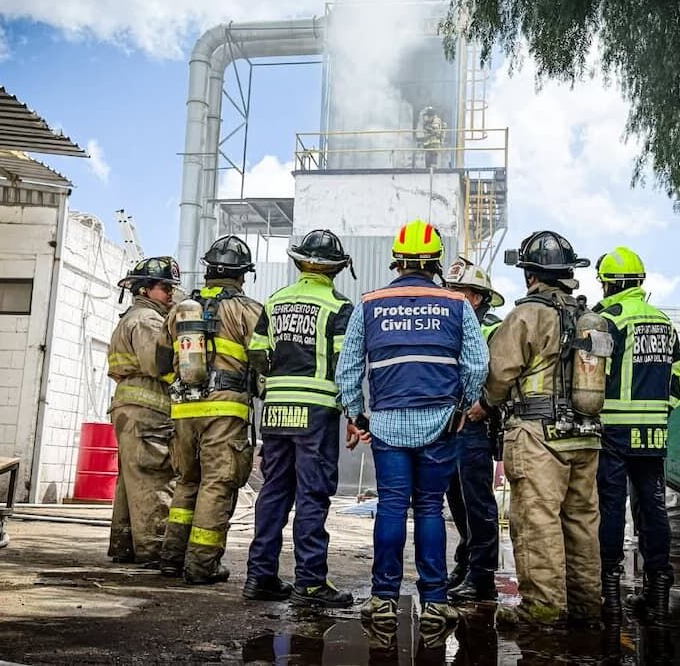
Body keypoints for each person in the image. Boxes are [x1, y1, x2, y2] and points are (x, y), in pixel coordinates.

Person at [337, 219, 489, 638]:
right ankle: (436, 602)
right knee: (429, 508)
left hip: (386, 422)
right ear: (436, 261)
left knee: (390, 506)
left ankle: (383, 599)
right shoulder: (457, 304)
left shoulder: (369, 304)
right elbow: (477, 364)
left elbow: (348, 368)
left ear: (398, 261)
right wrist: (461, 405)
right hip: (440, 421)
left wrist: (356, 413)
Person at [468, 231, 605, 628]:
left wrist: (484, 405)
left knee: (536, 519)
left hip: (538, 435)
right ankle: (585, 605)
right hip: (586, 432)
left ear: (530, 274)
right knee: (581, 520)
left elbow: (499, 374)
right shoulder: (586, 316)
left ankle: (542, 609)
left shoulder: (527, 314)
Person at [243, 229, 355, 607]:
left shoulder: (275, 301)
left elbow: (257, 353)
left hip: (276, 410)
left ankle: (260, 577)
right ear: (337, 268)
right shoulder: (339, 306)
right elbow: (346, 364)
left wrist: (275, 385)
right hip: (317, 413)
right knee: (312, 494)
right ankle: (309, 583)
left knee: (274, 491)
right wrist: (353, 411)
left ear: (299, 262)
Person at [155, 236, 263, 584]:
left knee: (187, 481)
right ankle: (202, 565)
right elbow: (263, 361)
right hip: (225, 409)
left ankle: (172, 558)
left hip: (184, 408)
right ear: (243, 275)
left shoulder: (180, 309)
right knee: (217, 484)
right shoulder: (250, 311)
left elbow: (159, 362)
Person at [594, 247, 680, 623]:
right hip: (653, 431)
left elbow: (592, 378)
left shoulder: (606, 320)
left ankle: (611, 591)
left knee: (611, 507)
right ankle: (658, 587)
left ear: (607, 284)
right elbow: (679, 379)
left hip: (613, 429)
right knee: (652, 507)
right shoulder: (664, 321)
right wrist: (660, 410)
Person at [106, 256, 180, 567]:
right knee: (154, 476)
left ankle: (126, 545)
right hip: (147, 409)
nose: (171, 294)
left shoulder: (131, 317)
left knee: (131, 479)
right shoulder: (148, 321)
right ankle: (154, 549)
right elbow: (157, 364)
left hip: (129, 408)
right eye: (165, 288)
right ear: (146, 289)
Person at [442, 256, 505, 603]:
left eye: (458, 292)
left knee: (477, 500)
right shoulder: (448, 325)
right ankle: (465, 564)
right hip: (449, 424)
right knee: (456, 498)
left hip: (476, 425)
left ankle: (482, 576)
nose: (450, 296)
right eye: (448, 290)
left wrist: (484, 407)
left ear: (477, 297)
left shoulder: (492, 328)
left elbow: (500, 375)